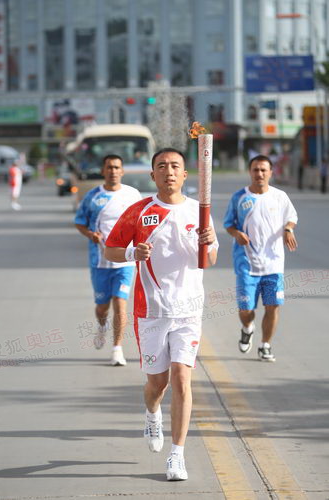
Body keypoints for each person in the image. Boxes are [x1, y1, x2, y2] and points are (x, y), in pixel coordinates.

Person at [105, 148, 218, 481]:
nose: (169, 171)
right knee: (158, 383)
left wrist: (209, 243)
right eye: (162, 167)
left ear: (186, 174)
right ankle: (152, 411)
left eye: (175, 166)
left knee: (182, 378)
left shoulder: (200, 212)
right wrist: (131, 252)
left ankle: (177, 455)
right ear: (152, 175)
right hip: (151, 311)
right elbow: (110, 248)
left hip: (188, 310)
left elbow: (207, 262)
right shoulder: (139, 211)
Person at [223, 154, 298, 362]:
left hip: (273, 263)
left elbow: (291, 218)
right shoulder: (239, 197)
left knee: (273, 306)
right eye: (256, 170)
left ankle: (265, 345)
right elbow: (229, 223)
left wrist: (288, 230)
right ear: (250, 172)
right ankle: (247, 327)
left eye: (264, 170)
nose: (260, 174)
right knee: (246, 309)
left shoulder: (280, 197)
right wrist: (236, 234)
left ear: (271, 172)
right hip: (246, 263)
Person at [74, 154, 141, 366]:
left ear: (122, 171)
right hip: (100, 262)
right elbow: (79, 222)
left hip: (126, 260)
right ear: (103, 171)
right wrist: (90, 235)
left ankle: (117, 349)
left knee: (120, 304)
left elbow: (141, 223)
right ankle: (102, 325)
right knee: (102, 307)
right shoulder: (93, 196)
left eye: (117, 167)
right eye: (109, 167)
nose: (113, 171)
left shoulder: (133, 195)